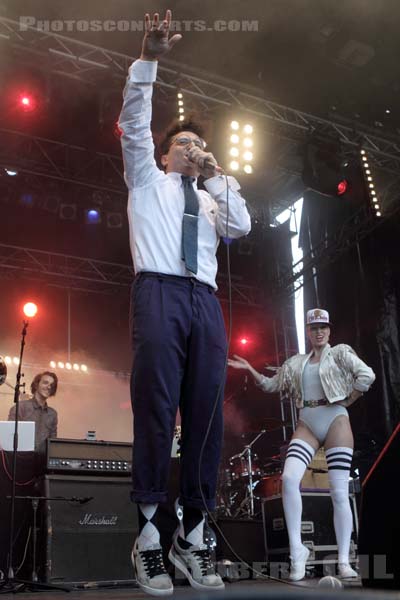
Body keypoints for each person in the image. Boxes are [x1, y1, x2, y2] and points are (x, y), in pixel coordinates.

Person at [118, 9, 251, 596]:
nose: (194, 148)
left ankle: (191, 536)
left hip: (204, 301)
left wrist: (218, 172)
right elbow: (134, 117)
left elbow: (242, 227)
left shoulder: (216, 195)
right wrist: (149, 58)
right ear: (167, 152)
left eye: (201, 143)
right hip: (159, 292)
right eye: (186, 143)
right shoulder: (146, 178)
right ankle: (149, 534)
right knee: (156, 407)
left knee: (206, 418)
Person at [228, 308, 375, 581]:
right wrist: (250, 369)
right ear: (308, 332)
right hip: (307, 422)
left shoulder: (341, 352)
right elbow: (272, 385)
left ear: (329, 330)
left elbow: (367, 375)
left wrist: (350, 399)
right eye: (313, 328)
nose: (319, 331)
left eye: (323, 327)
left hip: (336, 420)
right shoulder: (296, 363)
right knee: (289, 479)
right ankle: (298, 551)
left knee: (339, 492)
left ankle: (344, 560)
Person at [8, 371, 58, 451]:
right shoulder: (21, 407)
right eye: (45, 383)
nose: (49, 387)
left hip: (43, 461)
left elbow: (53, 442)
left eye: (52, 385)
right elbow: (9, 435)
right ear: (36, 384)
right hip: (21, 459)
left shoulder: (52, 414)